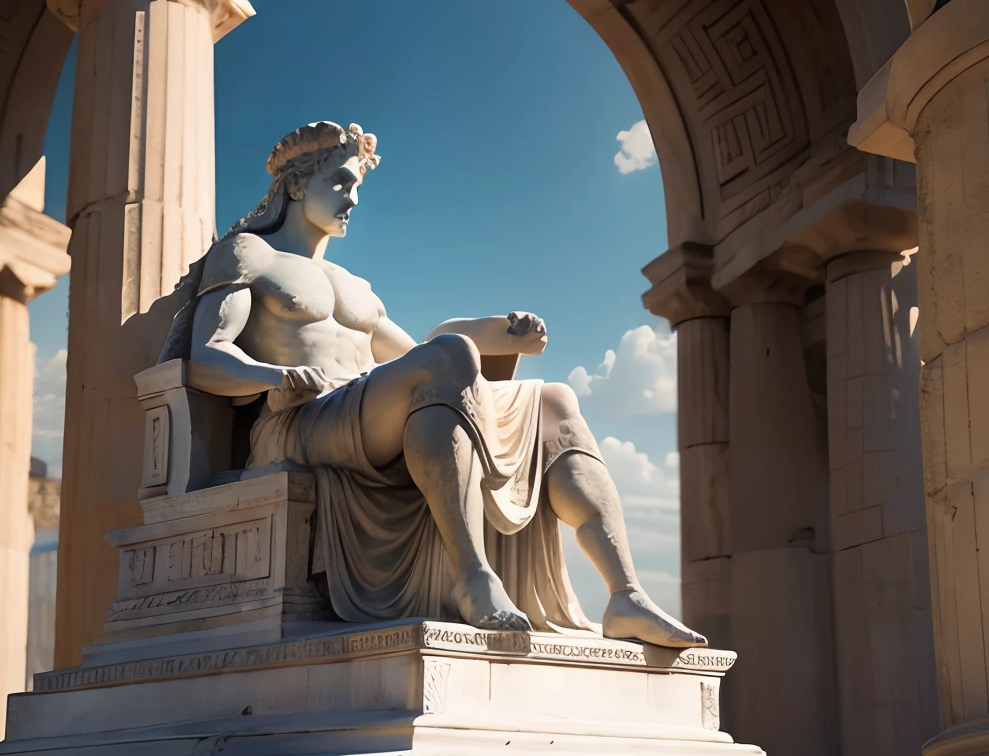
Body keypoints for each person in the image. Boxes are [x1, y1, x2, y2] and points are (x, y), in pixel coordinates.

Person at [159, 122, 704, 647]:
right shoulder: (249, 254)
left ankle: (625, 595)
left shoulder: (352, 285)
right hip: (301, 418)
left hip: (366, 409)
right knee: (450, 359)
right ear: (298, 184)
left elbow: (424, 352)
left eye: (357, 187)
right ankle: (472, 577)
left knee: (555, 400)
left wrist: (497, 333)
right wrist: (274, 377)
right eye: (340, 183)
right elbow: (206, 357)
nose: (352, 199)